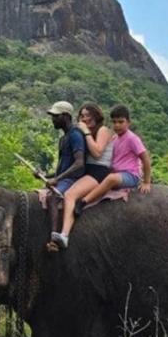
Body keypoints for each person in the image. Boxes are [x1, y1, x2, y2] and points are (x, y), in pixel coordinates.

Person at [50, 103, 114, 249]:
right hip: (88, 171)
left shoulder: (103, 130)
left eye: (88, 115)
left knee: (70, 195)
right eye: (82, 116)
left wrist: (85, 131)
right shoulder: (84, 134)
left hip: (98, 171)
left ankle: (64, 235)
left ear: (96, 116)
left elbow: (97, 153)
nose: (85, 119)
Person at [78, 104, 151, 208]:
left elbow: (145, 158)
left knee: (111, 179)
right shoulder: (114, 138)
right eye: (114, 122)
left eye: (121, 122)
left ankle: (84, 201)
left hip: (130, 175)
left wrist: (146, 182)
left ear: (128, 122)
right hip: (117, 174)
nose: (117, 125)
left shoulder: (132, 138)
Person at [42, 100, 86, 196]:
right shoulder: (63, 139)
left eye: (56, 116)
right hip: (62, 180)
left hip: (71, 180)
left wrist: (57, 179)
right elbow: (62, 169)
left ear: (66, 116)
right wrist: (44, 175)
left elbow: (79, 163)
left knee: (52, 197)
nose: (53, 119)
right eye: (52, 116)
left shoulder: (75, 134)